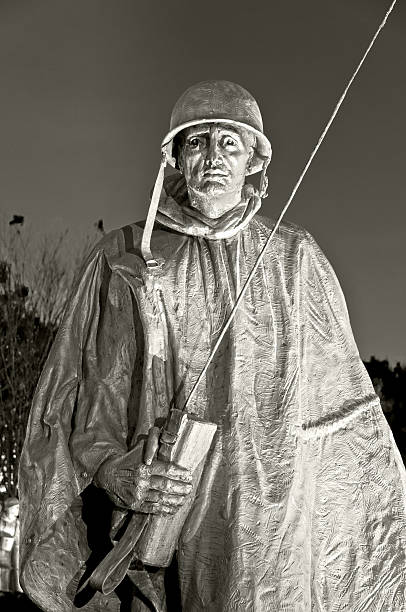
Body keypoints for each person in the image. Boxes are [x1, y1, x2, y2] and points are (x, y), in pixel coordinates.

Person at [19, 80, 406, 611]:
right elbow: (82, 395)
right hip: (164, 531)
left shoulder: (296, 261)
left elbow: (346, 423)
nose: (213, 157)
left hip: (274, 536)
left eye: (230, 143)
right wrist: (113, 470)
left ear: (254, 161)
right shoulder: (125, 257)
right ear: (176, 156)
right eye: (196, 142)